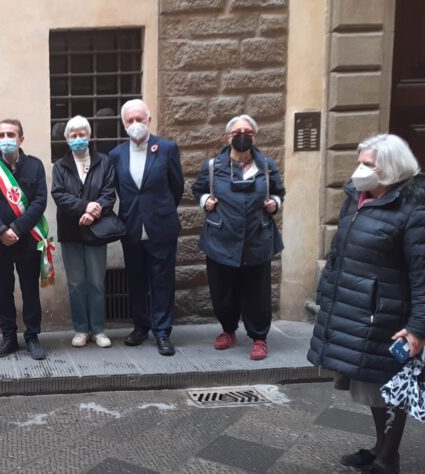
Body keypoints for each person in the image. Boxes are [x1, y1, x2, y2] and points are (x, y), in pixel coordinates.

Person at [308, 134, 425, 473]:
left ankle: (388, 459)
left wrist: (418, 328)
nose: (360, 170)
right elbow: (338, 253)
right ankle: (380, 448)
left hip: (387, 316)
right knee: (370, 385)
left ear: (390, 169)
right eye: (360, 162)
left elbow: (421, 274)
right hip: (357, 310)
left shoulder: (413, 210)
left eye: (368, 164)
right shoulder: (357, 197)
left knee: (389, 387)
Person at [191, 115, 285, 361]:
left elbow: (278, 191)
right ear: (228, 136)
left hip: (257, 238)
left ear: (254, 136)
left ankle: (259, 338)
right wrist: (205, 202)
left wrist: (275, 203)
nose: (242, 135)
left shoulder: (266, 165)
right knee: (223, 291)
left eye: (248, 132)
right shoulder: (213, 167)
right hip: (222, 238)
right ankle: (228, 330)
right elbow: (198, 189)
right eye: (237, 132)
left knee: (257, 293)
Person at [109, 99, 184, 356]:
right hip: (131, 226)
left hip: (161, 226)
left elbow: (177, 187)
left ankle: (162, 332)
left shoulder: (166, 148)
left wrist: (158, 210)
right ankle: (140, 326)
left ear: (148, 120)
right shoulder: (116, 154)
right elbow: (120, 189)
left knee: (162, 281)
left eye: (139, 119)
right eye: (130, 120)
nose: (135, 124)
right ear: (123, 124)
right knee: (136, 279)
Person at [0, 118, 49, 360]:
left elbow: (39, 202)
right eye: (2, 135)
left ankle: (32, 337)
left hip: (27, 240)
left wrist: (17, 229)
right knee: (3, 291)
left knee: (30, 291)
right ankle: (9, 337)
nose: (6, 139)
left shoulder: (35, 166)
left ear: (21, 139)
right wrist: (1, 231)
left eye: (11, 134)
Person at [51, 115, 116, 348]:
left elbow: (109, 193)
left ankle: (98, 329)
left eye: (82, 134)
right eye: (73, 135)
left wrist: (94, 212)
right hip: (71, 230)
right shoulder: (60, 166)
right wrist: (84, 207)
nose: (78, 139)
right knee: (77, 283)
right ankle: (80, 329)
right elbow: (59, 194)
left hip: (97, 230)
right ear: (67, 139)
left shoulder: (104, 162)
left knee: (97, 282)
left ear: (89, 136)